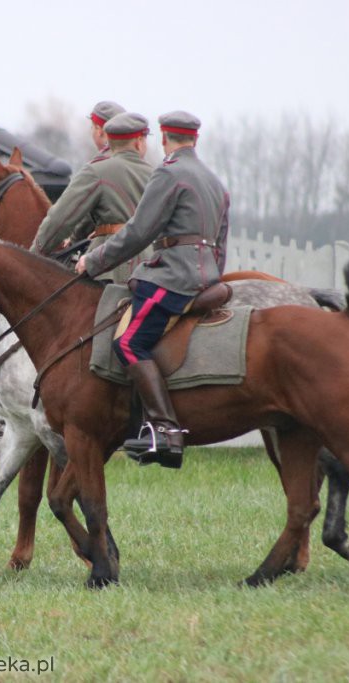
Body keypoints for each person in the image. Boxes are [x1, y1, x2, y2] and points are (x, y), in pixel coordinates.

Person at [75, 111, 230, 468]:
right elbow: (221, 242)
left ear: (163, 139)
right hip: (208, 277)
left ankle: (164, 429)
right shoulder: (215, 182)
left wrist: (93, 262)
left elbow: (137, 233)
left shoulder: (169, 173)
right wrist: (211, 276)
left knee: (128, 342)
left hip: (174, 278)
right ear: (195, 139)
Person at [31, 112, 154, 284]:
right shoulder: (158, 175)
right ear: (139, 142)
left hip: (110, 270)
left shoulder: (96, 171)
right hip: (153, 268)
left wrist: (33, 257)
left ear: (108, 138)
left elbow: (60, 219)